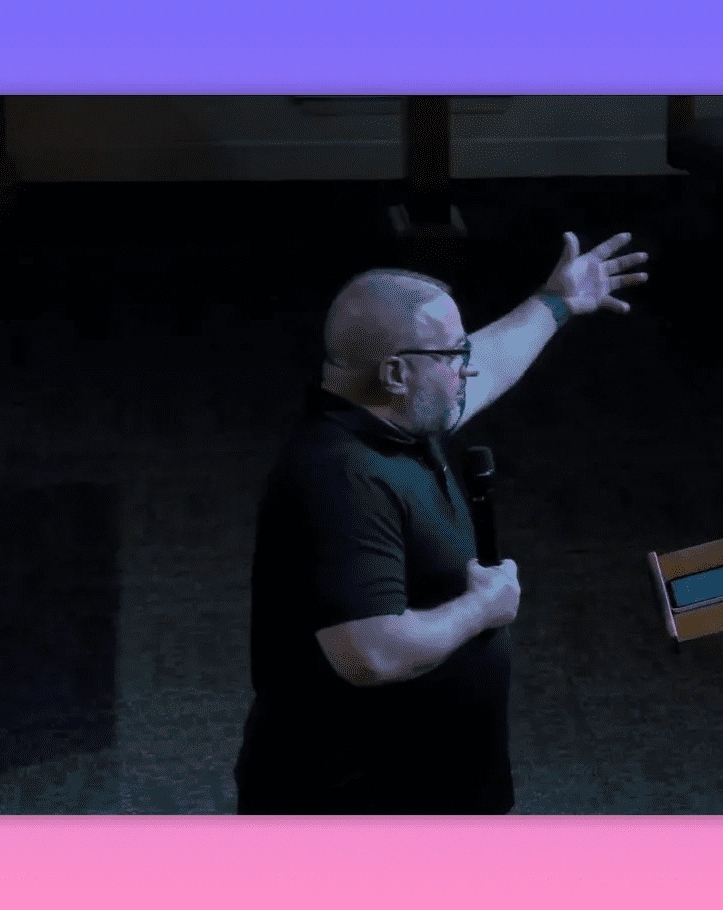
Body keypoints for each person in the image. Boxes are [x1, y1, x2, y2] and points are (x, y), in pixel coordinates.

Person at [234, 231, 649, 814]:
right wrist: (483, 608)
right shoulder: (339, 479)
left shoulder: (390, 414)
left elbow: (488, 365)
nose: (465, 368)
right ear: (397, 374)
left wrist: (555, 304)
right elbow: (369, 651)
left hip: (429, 788)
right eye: (452, 354)